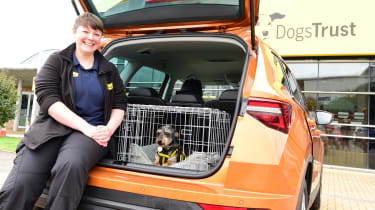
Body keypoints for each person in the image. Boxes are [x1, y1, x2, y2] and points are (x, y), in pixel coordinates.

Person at [0, 12, 127, 210]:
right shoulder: (57, 61)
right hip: (51, 130)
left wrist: (108, 130)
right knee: (22, 182)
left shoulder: (109, 69)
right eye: (86, 31)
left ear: (101, 38)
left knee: (70, 165)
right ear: (75, 32)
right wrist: (85, 127)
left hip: (92, 134)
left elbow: (119, 105)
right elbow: (48, 100)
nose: (91, 38)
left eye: (96, 33)